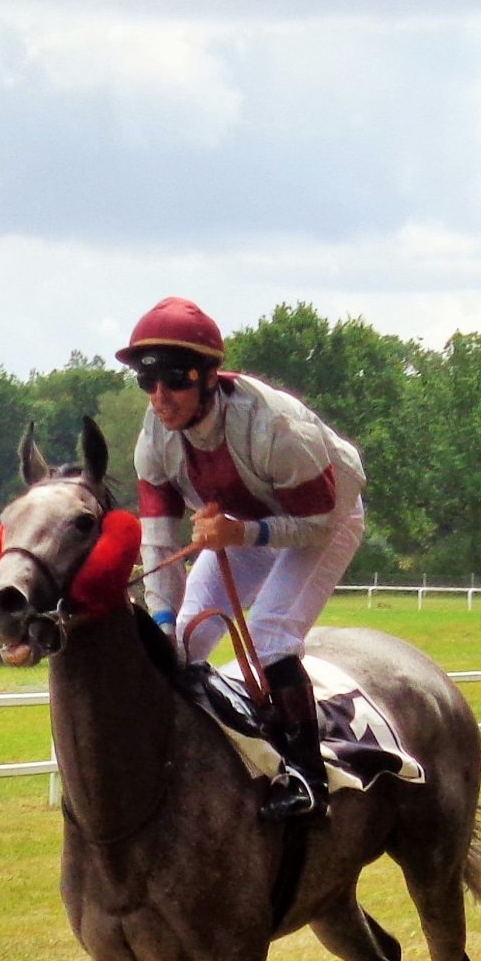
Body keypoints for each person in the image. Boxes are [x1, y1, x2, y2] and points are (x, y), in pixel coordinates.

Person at [125, 296, 368, 822]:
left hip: (323, 517)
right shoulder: (154, 436)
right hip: (241, 522)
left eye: (174, 381)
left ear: (208, 376)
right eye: (148, 384)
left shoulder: (275, 427)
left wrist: (242, 532)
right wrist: (163, 618)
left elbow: (318, 523)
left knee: (270, 634)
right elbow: (159, 541)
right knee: (184, 643)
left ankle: (308, 778)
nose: (160, 399)